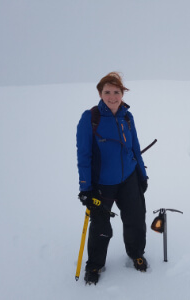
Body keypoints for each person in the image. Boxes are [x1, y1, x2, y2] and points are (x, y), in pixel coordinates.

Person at [76, 72, 149, 285]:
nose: (112, 97)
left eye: (116, 92)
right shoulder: (90, 118)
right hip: (102, 184)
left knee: (135, 220)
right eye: (107, 92)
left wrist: (141, 175)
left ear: (122, 93)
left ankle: (136, 253)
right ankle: (95, 265)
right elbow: (84, 155)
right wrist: (86, 187)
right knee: (100, 226)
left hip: (128, 178)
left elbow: (134, 147)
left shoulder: (127, 116)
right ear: (100, 93)